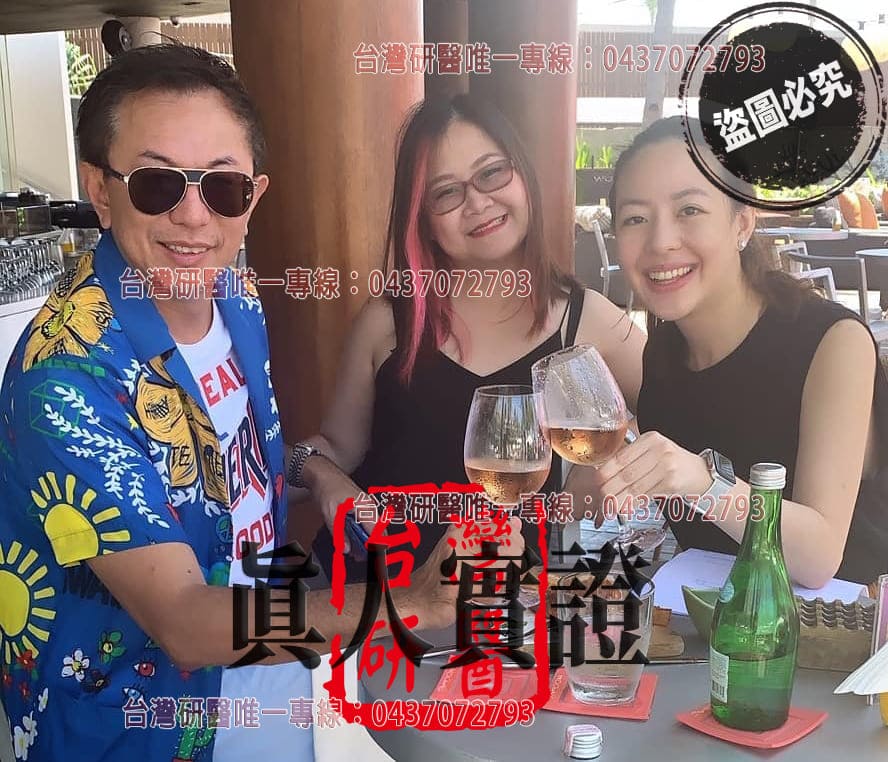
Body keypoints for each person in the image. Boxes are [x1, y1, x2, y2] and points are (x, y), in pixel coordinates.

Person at [0, 44, 502, 762]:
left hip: (264, 691)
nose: (194, 216)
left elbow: (230, 469)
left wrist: (317, 474)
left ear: (253, 197)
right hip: (140, 730)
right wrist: (409, 601)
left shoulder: (232, 298)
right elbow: (183, 620)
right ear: (101, 191)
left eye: (223, 187)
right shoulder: (66, 377)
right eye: (156, 184)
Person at [299, 94, 646, 581]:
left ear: (522, 175)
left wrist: (610, 464)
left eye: (492, 173)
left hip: (508, 602)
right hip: (376, 598)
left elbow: (674, 413)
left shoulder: (586, 321)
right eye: (446, 193)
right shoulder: (389, 321)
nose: (478, 203)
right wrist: (321, 474)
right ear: (422, 218)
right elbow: (332, 449)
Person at [594, 116, 888, 587]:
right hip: (711, 619)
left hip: (843, 622)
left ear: (742, 223)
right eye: (635, 219)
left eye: (689, 209)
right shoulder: (664, 351)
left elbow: (818, 556)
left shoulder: (833, 342)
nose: (661, 241)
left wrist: (704, 481)